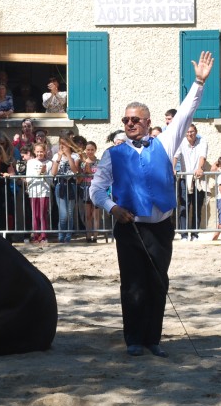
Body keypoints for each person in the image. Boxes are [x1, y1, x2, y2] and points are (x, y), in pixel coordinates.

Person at [90, 50, 214, 358]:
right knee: (133, 285)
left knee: (158, 282)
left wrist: (199, 82)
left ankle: (153, 339)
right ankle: (133, 339)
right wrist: (112, 208)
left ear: (147, 122)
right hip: (130, 228)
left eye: (135, 120)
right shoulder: (112, 154)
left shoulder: (165, 141)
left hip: (161, 227)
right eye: (125, 120)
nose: (129, 123)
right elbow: (96, 190)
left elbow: (186, 112)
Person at [175, 124, 208, 241]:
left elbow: (202, 156)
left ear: (196, 132)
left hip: (198, 179)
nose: (190, 134)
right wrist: (173, 168)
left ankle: (195, 234)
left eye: (192, 131)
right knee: (184, 207)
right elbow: (176, 156)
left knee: (197, 208)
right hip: (185, 178)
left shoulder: (202, 141)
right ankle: (184, 234)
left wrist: (200, 168)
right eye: (188, 132)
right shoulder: (181, 142)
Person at [50, 136, 81, 243]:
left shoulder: (75, 156)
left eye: (65, 144)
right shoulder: (55, 156)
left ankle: (68, 235)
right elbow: (53, 173)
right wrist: (59, 158)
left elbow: (75, 170)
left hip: (71, 184)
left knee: (70, 212)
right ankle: (61, 235)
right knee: (63, 214)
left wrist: (68, 156)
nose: (62, 146)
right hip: (60, 184)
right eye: (61, 144)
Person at [26, 142, 52, 243]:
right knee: (35, 215)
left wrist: (44, 173)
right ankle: (36, 235)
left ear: (45, 152)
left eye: (41, 151)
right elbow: (28, 179)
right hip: (33, 190)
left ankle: (44, 235)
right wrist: (38, 173)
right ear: (34, 152)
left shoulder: (49, 163)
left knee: (42, 214)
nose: (39, 153)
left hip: (44, 191)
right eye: (37, 152)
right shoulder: (30, 162)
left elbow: (50, 181)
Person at [81, 140, 101, 242]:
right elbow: (85, 173)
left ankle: (96, 236)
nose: (90, 151)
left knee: (96, 214)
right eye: (88, 150)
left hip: (96, 188)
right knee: (88, 214)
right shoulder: (83, 163)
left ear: (95, 150)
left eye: (92, 149)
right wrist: (86, 163)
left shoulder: (99, 162)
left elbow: (99, 175)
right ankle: (88, 235)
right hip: (86, 187)